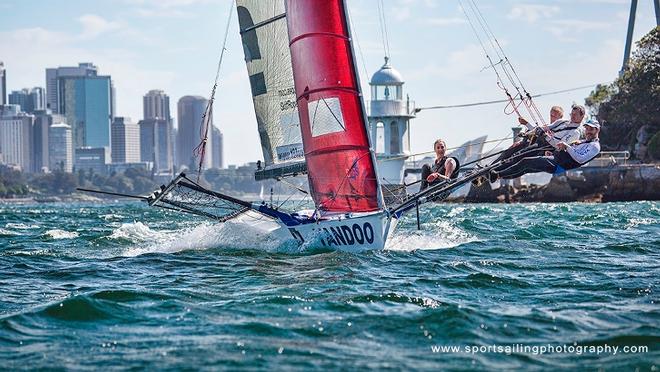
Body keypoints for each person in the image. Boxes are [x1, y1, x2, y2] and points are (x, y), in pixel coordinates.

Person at [489, 119, 601, 181]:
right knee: (525, 167)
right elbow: (569, 153)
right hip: (555, 159)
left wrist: (567, 146)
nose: (588, 131)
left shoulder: (595, 147)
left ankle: (497, 174)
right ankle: (497, 175)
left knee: (525, 161)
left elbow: (579, 159)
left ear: (597, 130)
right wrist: (553, 152)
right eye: (587, 129)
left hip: (558, 165)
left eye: (591, 129)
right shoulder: (584, 142)